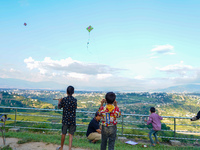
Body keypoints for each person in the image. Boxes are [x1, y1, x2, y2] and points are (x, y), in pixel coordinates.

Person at [57, 86, 77, 150]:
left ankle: (61, 147)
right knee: (71, 135)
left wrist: (59, 101)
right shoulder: (75, 100)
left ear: (66, 92)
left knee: (63, 133)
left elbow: (59, 107)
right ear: (73, 92)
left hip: (65, 119)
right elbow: (75, 107)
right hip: (72, 120)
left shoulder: (64, 99)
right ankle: (70, 148)